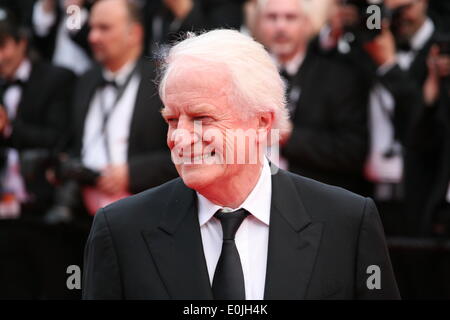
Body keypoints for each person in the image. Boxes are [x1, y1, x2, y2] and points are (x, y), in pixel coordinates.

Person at [83, 29, 399, 300]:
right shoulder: (121, 230)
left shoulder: (346, 222)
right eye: (172, 119)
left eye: (200, 118)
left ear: (263, 123)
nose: (179, 138)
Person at [56, 0, 177, 218]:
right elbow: (72, 143)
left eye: (104, 28)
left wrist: (132, 172)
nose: (93, 37)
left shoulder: (163, 83)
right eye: (92, 28)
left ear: (135, 33)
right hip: (81, 216)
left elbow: (184, 155)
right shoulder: (85, 81)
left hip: (145, 213)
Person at [254, 0, 370, 195]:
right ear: (258, 23)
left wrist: (290, 137)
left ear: (308, 23)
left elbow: (352, 151)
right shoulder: (246, 72)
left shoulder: (338, 75)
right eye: (272, 17)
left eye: (290, 18)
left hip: (315, 198)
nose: (280, 26)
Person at [0, 7, 76, 298]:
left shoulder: (57, 79)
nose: (0, 57)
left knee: (62, 289)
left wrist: (9, 129)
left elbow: (60, 140)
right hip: (5, 221)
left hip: (47, 217)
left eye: (3, 46)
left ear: (22, 42)